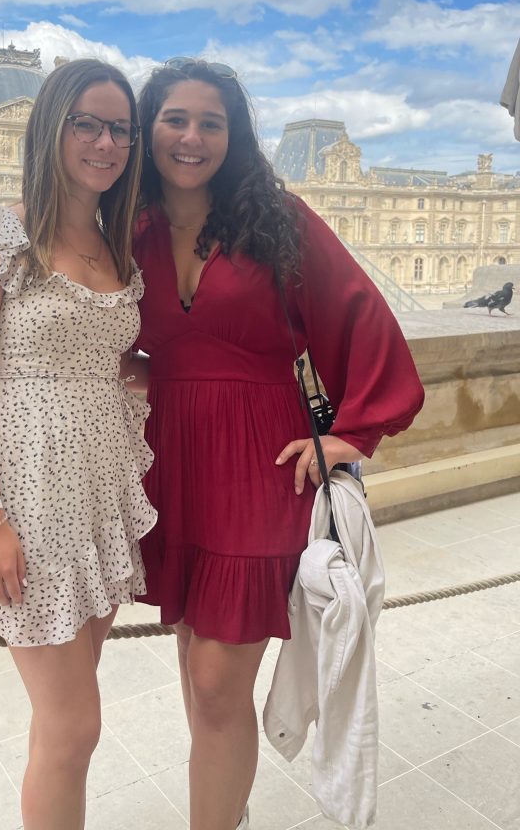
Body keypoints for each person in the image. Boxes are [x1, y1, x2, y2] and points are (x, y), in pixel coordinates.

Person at [129, 58, 425, 830]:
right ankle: (228, 813)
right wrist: (140, 364)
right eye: (175, 119)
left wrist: (349, 435)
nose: (192, 137)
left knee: (221, 683)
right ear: (147, 128)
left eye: (211, 122)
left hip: (259, 466)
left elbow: (365, 319)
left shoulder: (277, 222)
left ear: (236, 135)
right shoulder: (132, 226)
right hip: (173, 463)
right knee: (198, 674)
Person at [0, 59, 157, 830]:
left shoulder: (112, 239)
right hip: (28, 501)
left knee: (66, 715)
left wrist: (144, 373)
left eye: (120, 127)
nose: (106, 141)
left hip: (98, 491)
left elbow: (113, 355)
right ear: (50, 127)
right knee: (74, 726)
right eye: (86, 123)